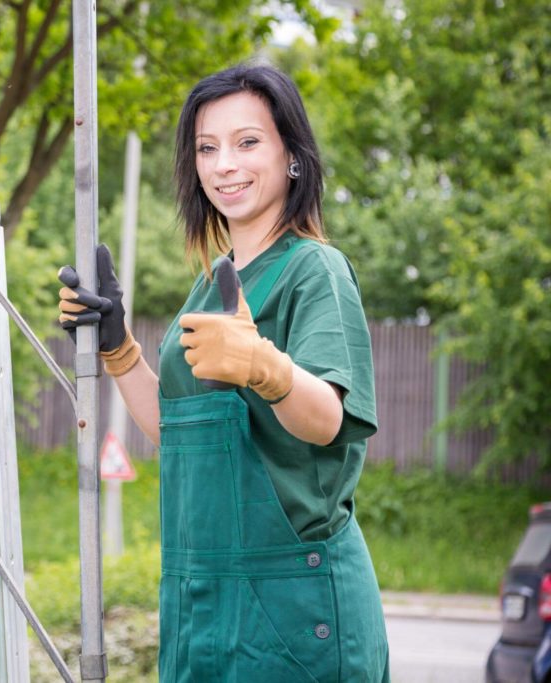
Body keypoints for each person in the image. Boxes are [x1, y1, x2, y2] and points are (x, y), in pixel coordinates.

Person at [57, 63, 389, 682]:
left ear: (292, 155)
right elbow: (180, 430)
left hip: (293, 606)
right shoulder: (211, 286)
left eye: (247, 142)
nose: (223, 164)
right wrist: (117, 347)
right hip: (201, 599)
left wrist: (265, 367)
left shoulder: (315, 271)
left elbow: (328, 420)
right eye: (207, 148)